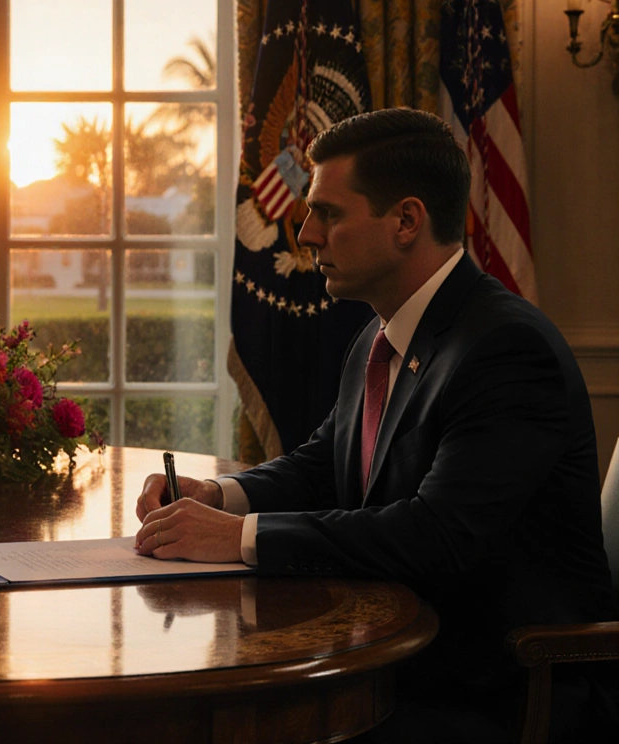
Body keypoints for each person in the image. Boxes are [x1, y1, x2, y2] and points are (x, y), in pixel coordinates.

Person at [134, 108, 616, 740]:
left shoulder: (505, 349)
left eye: (328, 213)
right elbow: (325, 462)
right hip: (399, 659)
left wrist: (237, 537)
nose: (305, 234)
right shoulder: (378, 334)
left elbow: (436, 536)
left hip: (498, 692)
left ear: (407, 222)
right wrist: (219, 496)